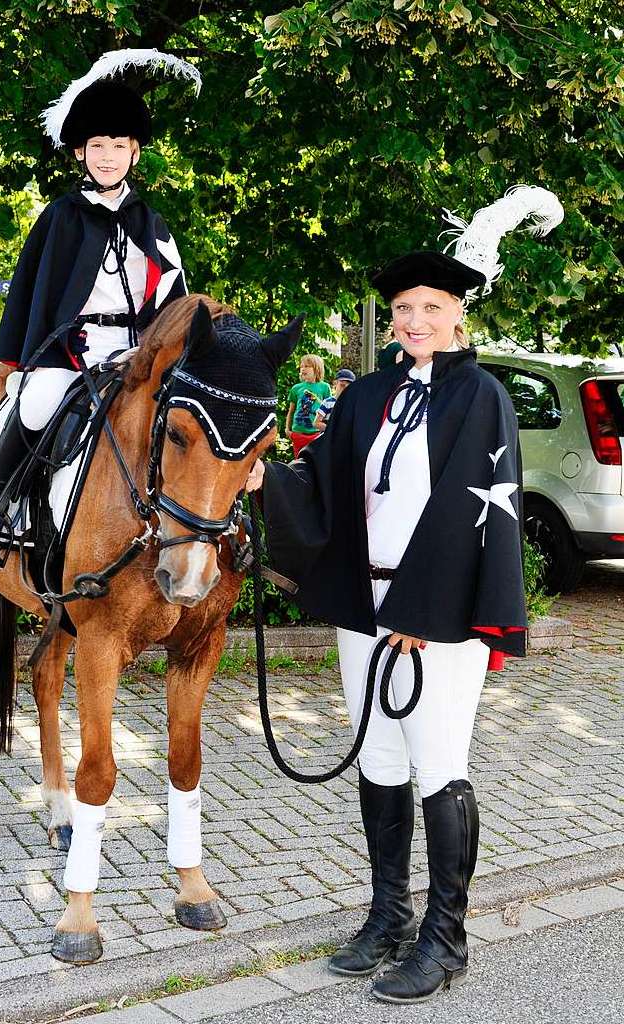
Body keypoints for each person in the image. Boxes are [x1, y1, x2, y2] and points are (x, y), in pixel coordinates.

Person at [247, 186, 564, 1004]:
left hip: (439, 621)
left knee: (436, 765)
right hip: (369, 609)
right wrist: (262, 480)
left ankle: (446, 939)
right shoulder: (369, 396)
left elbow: (470, 505)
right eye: (401, 309)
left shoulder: (479, 397)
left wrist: (423, 614)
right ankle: (387, 916)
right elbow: (321, 480)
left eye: (429, 307)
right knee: (380, 760)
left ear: (458, 315)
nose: (414, 320)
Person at [0, 49, 200, 567]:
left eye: (118, 145)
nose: (107, 155)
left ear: (135, 153)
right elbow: (34, 289)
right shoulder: (61, 217)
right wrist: (23, 356)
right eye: (97, 145)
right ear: (79, 153)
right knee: (38, 401)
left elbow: (174, 297)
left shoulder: (151, 223)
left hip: (136, 352)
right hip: (72, 350)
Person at [285, 353, 331, 457]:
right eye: (301, 366)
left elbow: (329, 411)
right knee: (299, 462)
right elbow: (291, 411)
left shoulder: (324, 387)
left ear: (316, 368)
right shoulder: (296, 388)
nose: (302, 369)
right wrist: (287, 430)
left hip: (316, 434)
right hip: (298, 434)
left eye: (306, 366)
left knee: (316, 461)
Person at [314, 367, 356, 431]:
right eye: (342, 385)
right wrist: (332, 429)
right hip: (329, 438)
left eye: (349, 387)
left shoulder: (353, 404)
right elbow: (316, 423)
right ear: (335, 383)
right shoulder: (327, 402)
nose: (345, 389)